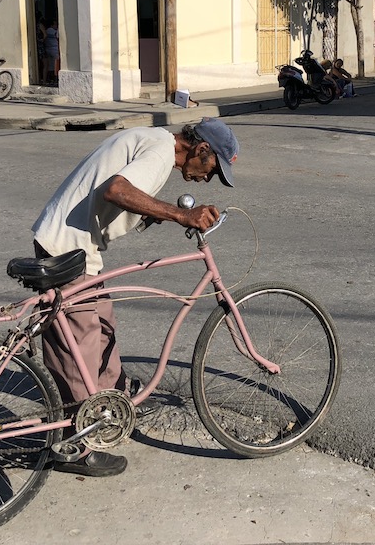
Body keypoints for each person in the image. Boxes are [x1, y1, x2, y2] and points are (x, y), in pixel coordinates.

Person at [31, 116, 239, 477]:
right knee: (78, 346)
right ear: (201, 149)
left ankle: (115, 401)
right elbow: (116, 189)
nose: (207, 177)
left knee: (104, 325)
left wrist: (157, 214)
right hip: (66, 248)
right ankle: (75, 443)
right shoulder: (160, 152)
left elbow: (119, 192)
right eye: (212, 169)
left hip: (78, 246)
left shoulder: (154, 140)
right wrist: (180, 215)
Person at [44, 15, 60, 83]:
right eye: (55, 24)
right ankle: (55, 78)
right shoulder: (50, 30)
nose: (56, 26)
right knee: (55, 64)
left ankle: (50, 78)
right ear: (51, 25)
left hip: (48, 49)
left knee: (50, 65)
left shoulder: (47, 30)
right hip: (54, 49)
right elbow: (57, 35)